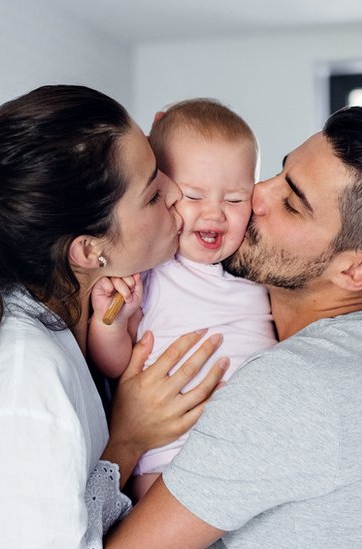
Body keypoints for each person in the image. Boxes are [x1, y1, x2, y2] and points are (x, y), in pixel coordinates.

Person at [0, 85, 229, 548]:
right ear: (88, 249)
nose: (178, 193)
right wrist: (126, 441)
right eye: (154, 192)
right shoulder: (21, 385)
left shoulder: (70, 324)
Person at [106, 106, 362, 548]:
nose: (255, 196)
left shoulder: (294, 385)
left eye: (291, 204)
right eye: (278, 171)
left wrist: (125, 439)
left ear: (354, 274)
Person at [88, 99, 277, 501]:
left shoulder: (260, 271)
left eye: (234, 199)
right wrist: (111, 322)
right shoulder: (153, 269)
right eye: (193, 196)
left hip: (251, 460)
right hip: (167, 459)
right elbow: (115, 363)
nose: (215, 214)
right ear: (162, 192)